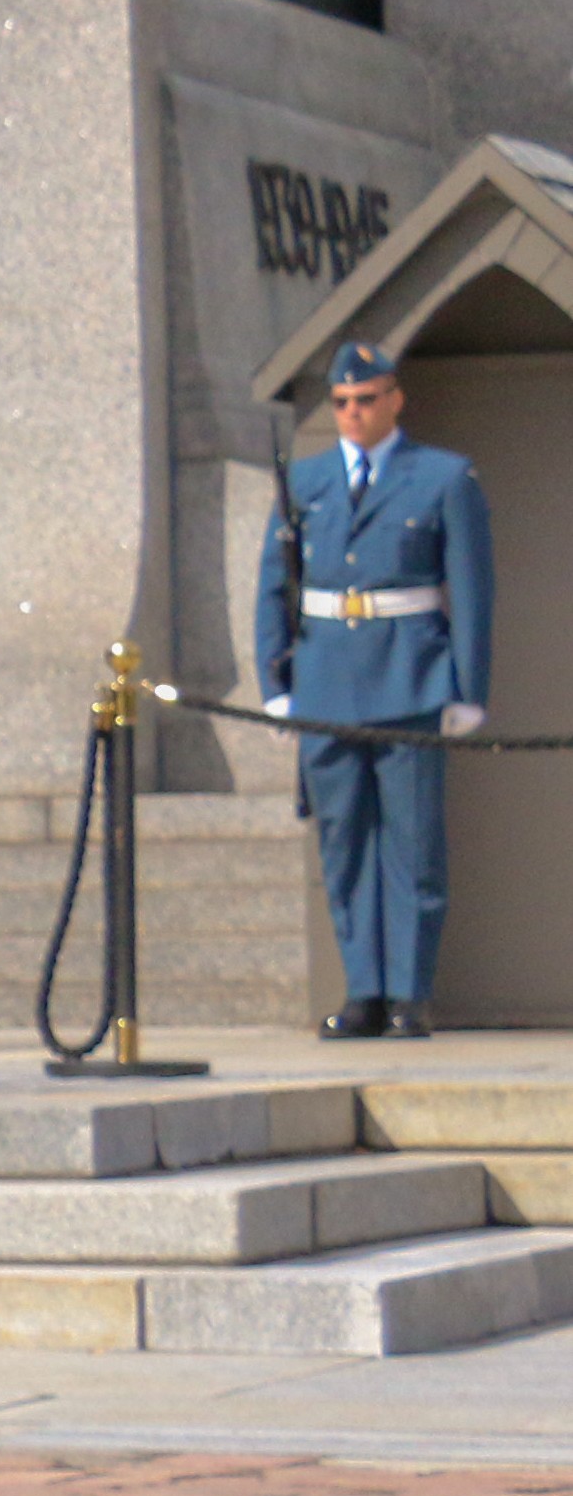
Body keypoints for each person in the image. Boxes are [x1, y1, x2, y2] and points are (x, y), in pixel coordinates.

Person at [258, 340, 495, 1041]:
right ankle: (362, 988)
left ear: (394, 400)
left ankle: (407, 994)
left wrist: (467, 688)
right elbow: (274, 586)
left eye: (365, 400)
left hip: (408, 678)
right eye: (341, 403)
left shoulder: (443, 477)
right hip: (324, 680)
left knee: (412, 843)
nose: (353, 413)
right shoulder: (304, 481)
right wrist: (275, 681)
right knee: (343, 840)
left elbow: (472, 589)